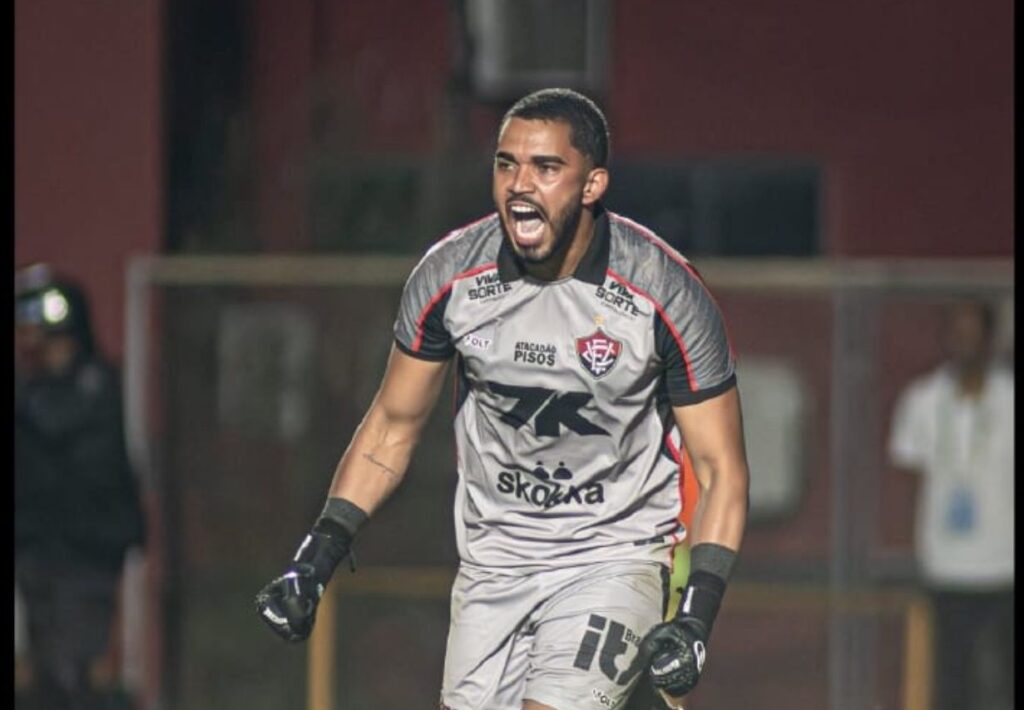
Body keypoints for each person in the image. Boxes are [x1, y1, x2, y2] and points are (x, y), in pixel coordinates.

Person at [256, 88, 750, 710]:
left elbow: (721, 468)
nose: (520, 184)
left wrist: (696, 617)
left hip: (612, 556)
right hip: (493, 565)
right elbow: (390, 429)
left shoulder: (664, 294)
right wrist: (316, 558)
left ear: (592, 184)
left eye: (546, 168)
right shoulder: (449, 279)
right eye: (506, 163)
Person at [15, 266, 146, 710]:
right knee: (46, 670)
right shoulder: (30, 390)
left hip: (86, 554)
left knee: (75, 668)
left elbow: (62, 427)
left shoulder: (95, 385)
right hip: (38, 552)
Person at [888, 299, 1014, 710]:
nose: (965, 345)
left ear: (990, 339)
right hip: (944, 565)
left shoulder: (1009, 399)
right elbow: (904, 474)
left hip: (1003, 567)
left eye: (973, 335)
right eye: (957, 334)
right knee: (949, 682)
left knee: (1000, 683)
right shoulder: (923, 399)